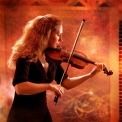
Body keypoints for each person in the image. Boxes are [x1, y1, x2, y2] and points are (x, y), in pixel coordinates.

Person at [7, 14, 104, 122]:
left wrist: (90, 75)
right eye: (58, 34)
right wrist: (49, 86)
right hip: (22, 116)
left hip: (42, 114)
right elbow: (20, 88)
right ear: (46, 33)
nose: (61, 39)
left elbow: (66, 83)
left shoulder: (52, 59)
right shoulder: (26, 56)